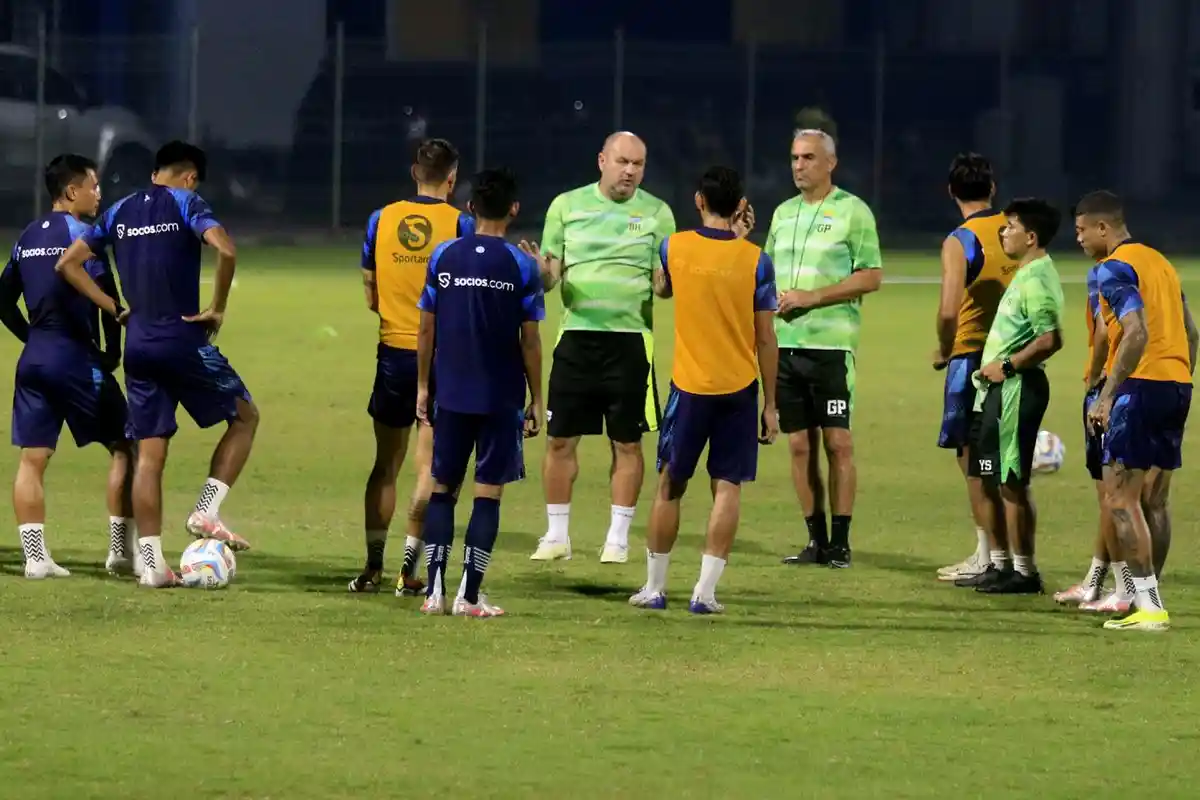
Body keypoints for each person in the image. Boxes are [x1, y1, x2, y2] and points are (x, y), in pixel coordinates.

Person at [55, 140, 259, 588]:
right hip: (182, 338)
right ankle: (206, 510)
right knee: (245, 416)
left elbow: (69, 265)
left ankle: (151, 566)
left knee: (149, 457)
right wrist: (217, 307)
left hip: (140, 344)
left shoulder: (119, 210)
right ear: (190, 176)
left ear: (154, 173)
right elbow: (225, 250)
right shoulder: (187, 201)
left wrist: (114, 308)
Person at [519, 132, 676, 565]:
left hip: (631, 343)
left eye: (639, 164)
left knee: (627, 443)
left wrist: (669, 281)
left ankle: (618, 538)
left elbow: (663, 286)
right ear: (602, 160)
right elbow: (550, 276)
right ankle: (556, 535)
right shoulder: (566, 207)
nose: (630, 171)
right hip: (577, 338)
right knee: (559, 439)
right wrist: (539, 274)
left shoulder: (659, 214)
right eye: (623, 161)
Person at [629, 166, 779, 613]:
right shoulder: (756, 260)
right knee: (727, 488)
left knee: (670, 485)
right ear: (740, 206)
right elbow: (766, 337)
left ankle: (655, 589)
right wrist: (771, 404)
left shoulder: (673, 246)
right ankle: (705, 593)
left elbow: (664, 289)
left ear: (698, 200)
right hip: (738, 388)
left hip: (689, 388)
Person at [0, 154, 138, 579]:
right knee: (126, 446)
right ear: (71, 191)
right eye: (94, 187)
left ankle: (35, 559)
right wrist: (112, 353)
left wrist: (31, 338)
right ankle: (120, 551)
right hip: (77, 360)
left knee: (32, 460)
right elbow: (108, 298)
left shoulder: (26, 236)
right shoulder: (86, 236)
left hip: (35, 360)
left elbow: (2, 300)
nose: (99, 194)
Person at [416, 168, 544, 617]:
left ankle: (434, 593)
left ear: (470, 208)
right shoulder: (521, 265)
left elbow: (426, 327)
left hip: (450, 391)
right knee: (487, 494)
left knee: (442, 489)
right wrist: (538, 400)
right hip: (500, 396)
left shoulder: (444, 255)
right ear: (514, 210)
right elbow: (530, 341)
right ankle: (468, 596)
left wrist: (422, 386)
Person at [351, 138, 475, 596]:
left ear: (413, 172)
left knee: (386, 463)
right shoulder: (461, 224)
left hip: (392, 352)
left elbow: (371, 294)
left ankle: (372, 567)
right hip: (443, 356)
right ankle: (409, 570)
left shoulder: (380, 220)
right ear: (452, 177)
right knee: (432, 466)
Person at [1076, 190, 1198, 632]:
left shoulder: (1112, 269)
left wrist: (1108, 394)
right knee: (1156, 500)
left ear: (1103, 228)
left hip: (1140, 386)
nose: (1079, 239)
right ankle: (1151, 596)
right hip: (1176, 384)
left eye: (1082, 230)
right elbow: (1191, 331)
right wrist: (1180, 376)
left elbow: (1135, 331)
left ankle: (1148, 607)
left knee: (1120, 498)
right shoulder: (1161, 264)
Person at [769, 125, 883, 569]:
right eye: (795, 158)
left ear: (830, 163)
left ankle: (841, 541)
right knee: (799, 447)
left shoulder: (853, 212)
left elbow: (871, 275)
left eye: (808, 158)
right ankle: (814, 541)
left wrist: (812, 297)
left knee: (838, 443)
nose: (799, 165)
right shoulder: (782, 214)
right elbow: (767, 277)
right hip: (784, 347)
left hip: (831, 348)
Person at [965, 198, 1065, 595]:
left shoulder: (1039, 279)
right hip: (997, 391)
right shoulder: (1026, 274)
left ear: (1031, 236)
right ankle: (1002, 564)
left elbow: (1050, 339)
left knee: (1011, 481)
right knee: (991, 476)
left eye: (1010, 226)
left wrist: (1006, 367)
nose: (1004, 232)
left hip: (1016, 389)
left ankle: (1025, 572)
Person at [932, 154, 1016, 583]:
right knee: (1004, 463)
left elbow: (949, 311)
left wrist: (944, 349)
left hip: (972, 358)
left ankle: (988, 555)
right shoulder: (1016, 232)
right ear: (992, 188)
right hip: (1016, 360)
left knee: (972, 459)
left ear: (951, 191)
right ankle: (1015, 560)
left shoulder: (961, 240)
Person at [1052, 258, 1131, 612]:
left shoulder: (1104, 272)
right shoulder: (1153, 268)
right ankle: (1096, 582)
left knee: (1112, 496)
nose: (1079, 238)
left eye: (1083, 229)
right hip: (1151, 384)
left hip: (1111, 387)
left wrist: (1094, 379)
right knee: (1132, 497)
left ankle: (1124, 589)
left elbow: (1101, 331)